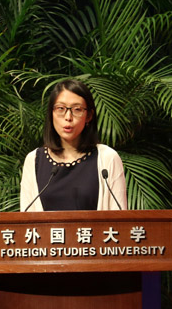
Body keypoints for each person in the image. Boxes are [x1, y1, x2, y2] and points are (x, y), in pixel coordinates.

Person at [20, 79, 127, 211]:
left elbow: (120, 218)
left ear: (89, 116)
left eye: (77, 109)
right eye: (61, 108)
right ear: (51, 113)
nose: (68, 117)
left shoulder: (107, 158)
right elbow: (26, 218)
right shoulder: (34, 160)